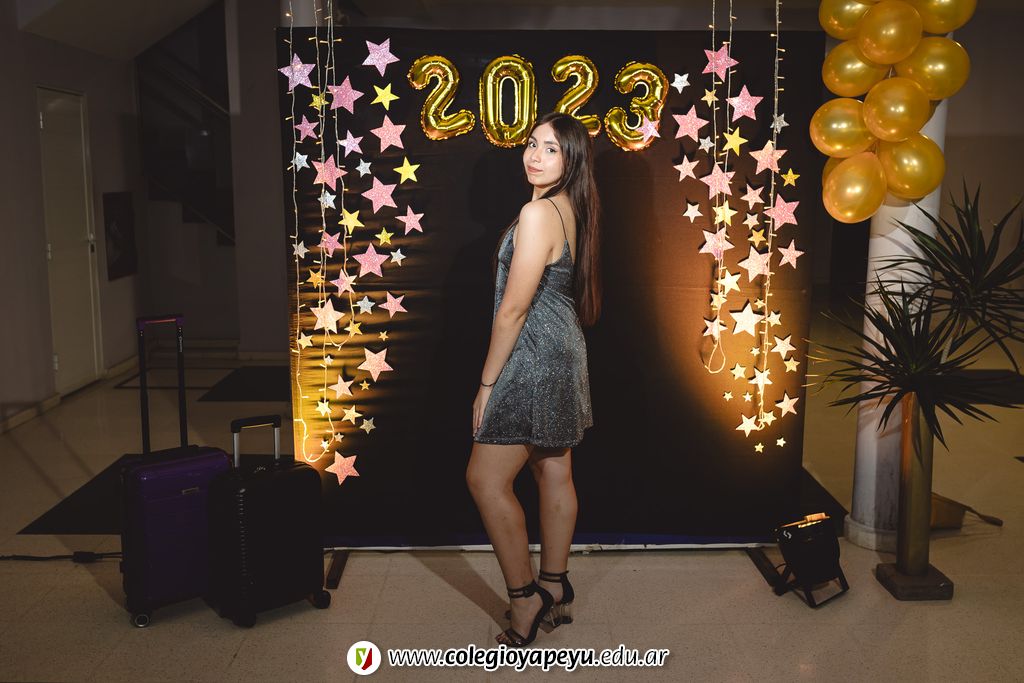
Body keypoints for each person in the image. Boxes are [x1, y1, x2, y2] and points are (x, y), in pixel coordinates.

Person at [466, 111, 602, 647]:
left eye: (550, 148)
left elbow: (513, 309)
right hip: (566, 351)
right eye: (531, 144)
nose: (534, 155)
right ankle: (555, 585)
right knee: (554, 471)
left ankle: (525, 600)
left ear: (571, 160)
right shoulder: (573, 207)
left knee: (485, 480)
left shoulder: (538, 212)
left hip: (535, 357)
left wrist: (486, 385)